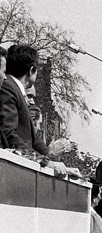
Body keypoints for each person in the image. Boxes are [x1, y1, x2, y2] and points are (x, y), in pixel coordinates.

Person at [0, 44, 70, 176]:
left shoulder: (14, 89)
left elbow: (34, 139)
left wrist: (51, 159)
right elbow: (8, 134)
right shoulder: (8, 88)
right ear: (32, 70)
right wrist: (44, 161)